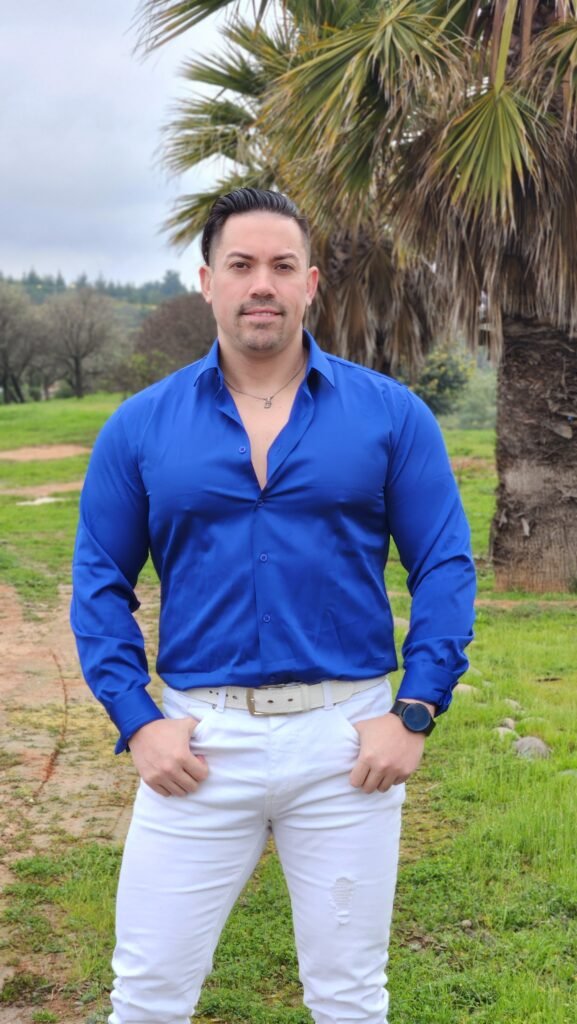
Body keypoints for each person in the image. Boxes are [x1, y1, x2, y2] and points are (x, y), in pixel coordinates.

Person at [71, 187, 475, 1024]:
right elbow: (99, 582)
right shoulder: (139, 427)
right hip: (196, 746)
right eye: (241, 265)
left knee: (350, 998)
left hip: (347, 747)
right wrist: (138, 722)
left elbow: (442, 564)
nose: (262, 283)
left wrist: (415, 709)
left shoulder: (390, 415)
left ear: (310, 283)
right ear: (206, 282)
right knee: (146, 997)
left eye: (282, 266)